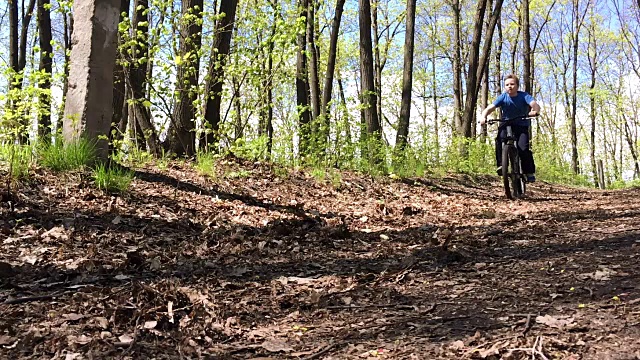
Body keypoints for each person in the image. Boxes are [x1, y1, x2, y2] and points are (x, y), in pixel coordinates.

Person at [480, 74, 541, 182]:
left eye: (512, 84)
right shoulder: (503, 97)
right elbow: (490, 108)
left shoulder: (524, 96)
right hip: (506, 123)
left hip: (521, 124)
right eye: (507, 85)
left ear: (517, 86)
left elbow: (534, 104)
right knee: (499, 140)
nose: (509, 86)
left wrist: (535, 111)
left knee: (523, 148)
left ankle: (529, 172)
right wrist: (483, 116)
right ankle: (501, 165)